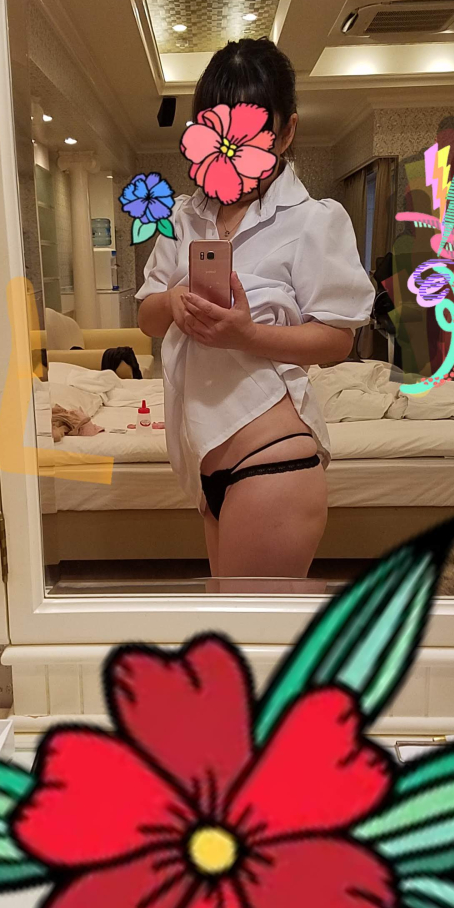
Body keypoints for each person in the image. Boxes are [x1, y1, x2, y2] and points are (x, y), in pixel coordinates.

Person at [136, 38, 374, 578]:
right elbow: (147, 316)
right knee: (233, 621)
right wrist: (172, 301)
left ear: (286, 132)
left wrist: (247, 335)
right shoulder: (182, 217)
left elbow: (338, 340)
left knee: (246, 626)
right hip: (207, 462)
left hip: (271, 462)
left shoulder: (313, 221)